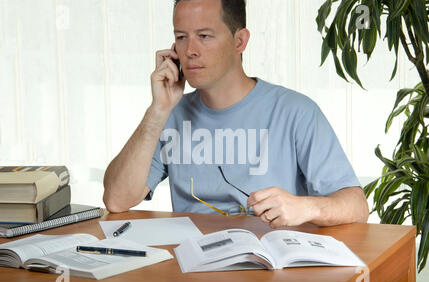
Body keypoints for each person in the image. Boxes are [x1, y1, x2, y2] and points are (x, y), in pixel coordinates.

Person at [103, 0, 369, 228]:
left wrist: (306, 208)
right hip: (192, 269)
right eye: (181, 37)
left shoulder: (295, 111)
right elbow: (116, 199)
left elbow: (357, 206)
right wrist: (157, 110)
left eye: (204, 36)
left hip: (268, 271)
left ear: (239, 41)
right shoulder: (169, 114)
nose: (190, 50)